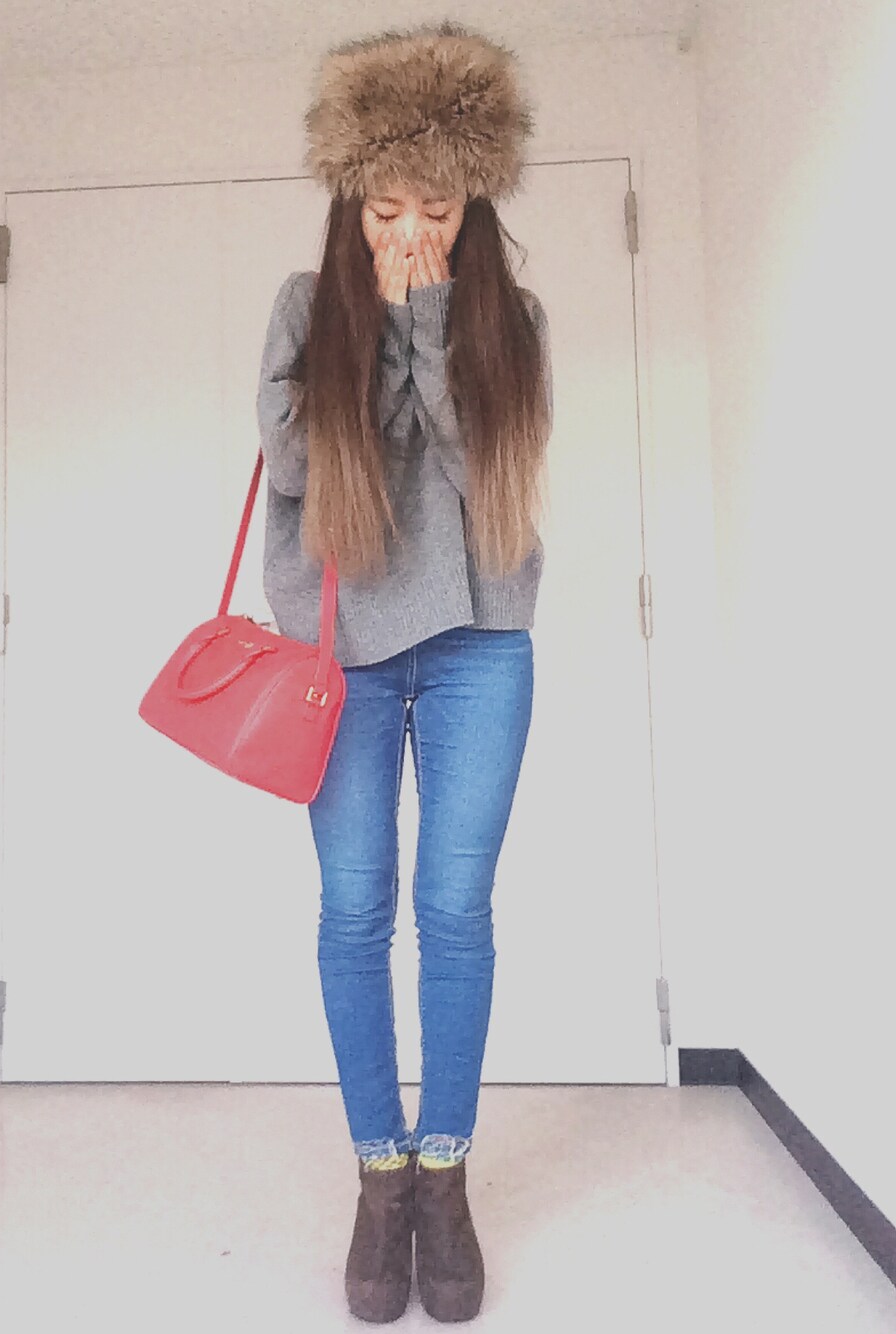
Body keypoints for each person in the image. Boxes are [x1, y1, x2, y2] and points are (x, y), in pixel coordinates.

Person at [255, 20, 553, 1324]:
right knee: (354, 908)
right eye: (385, 211)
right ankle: (382, 1178)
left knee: (456, 909)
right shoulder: (301, 308)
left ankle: (447, 1172)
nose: (411, 233)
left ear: (473, 205)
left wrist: (431, 324)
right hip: (347, 653)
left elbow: (482, 466)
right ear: (348, 207)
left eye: (437, 210)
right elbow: (303, 468)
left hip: (481, 637)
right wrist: (377, 328)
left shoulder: (512, 319)